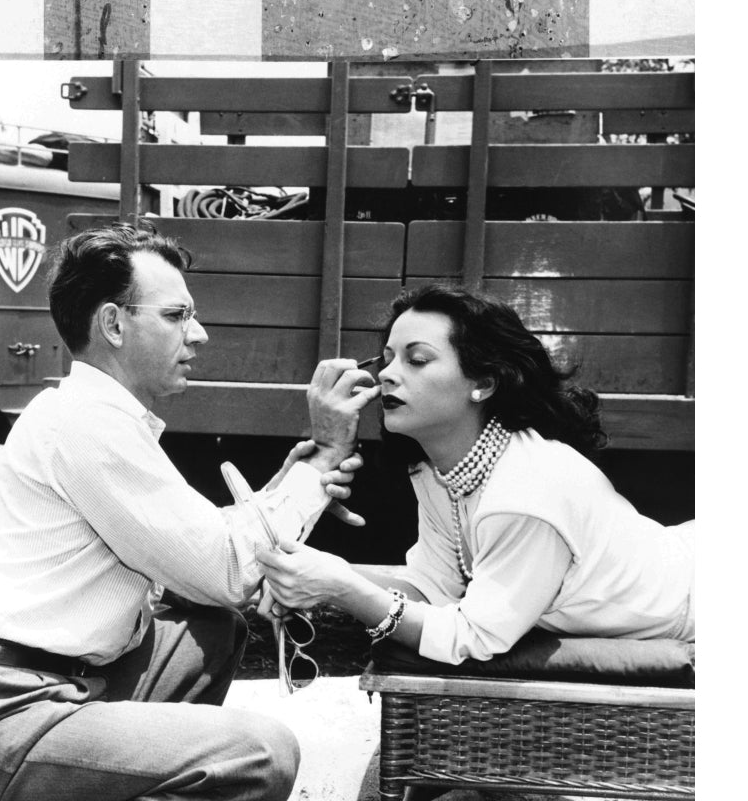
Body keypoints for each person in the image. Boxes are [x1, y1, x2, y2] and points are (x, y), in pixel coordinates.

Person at [0, 220, 380, 801]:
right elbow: (229, 569)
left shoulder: (96, 418)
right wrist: (319, 466)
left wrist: (301, 475)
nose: (198, 335)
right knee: (259, 756)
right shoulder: (87, 423)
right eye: (176, 315)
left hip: (39, 698)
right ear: (112, 325)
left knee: (210, 631)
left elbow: (207, 561)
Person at [257, 284, 694, 665]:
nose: (387, 375)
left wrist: (341, 588)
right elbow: (435, 588)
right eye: (387, 358)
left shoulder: (528, 491)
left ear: (482, 382)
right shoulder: (437, 468)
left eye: (418, 360)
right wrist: (325, 573)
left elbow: (474, 638)